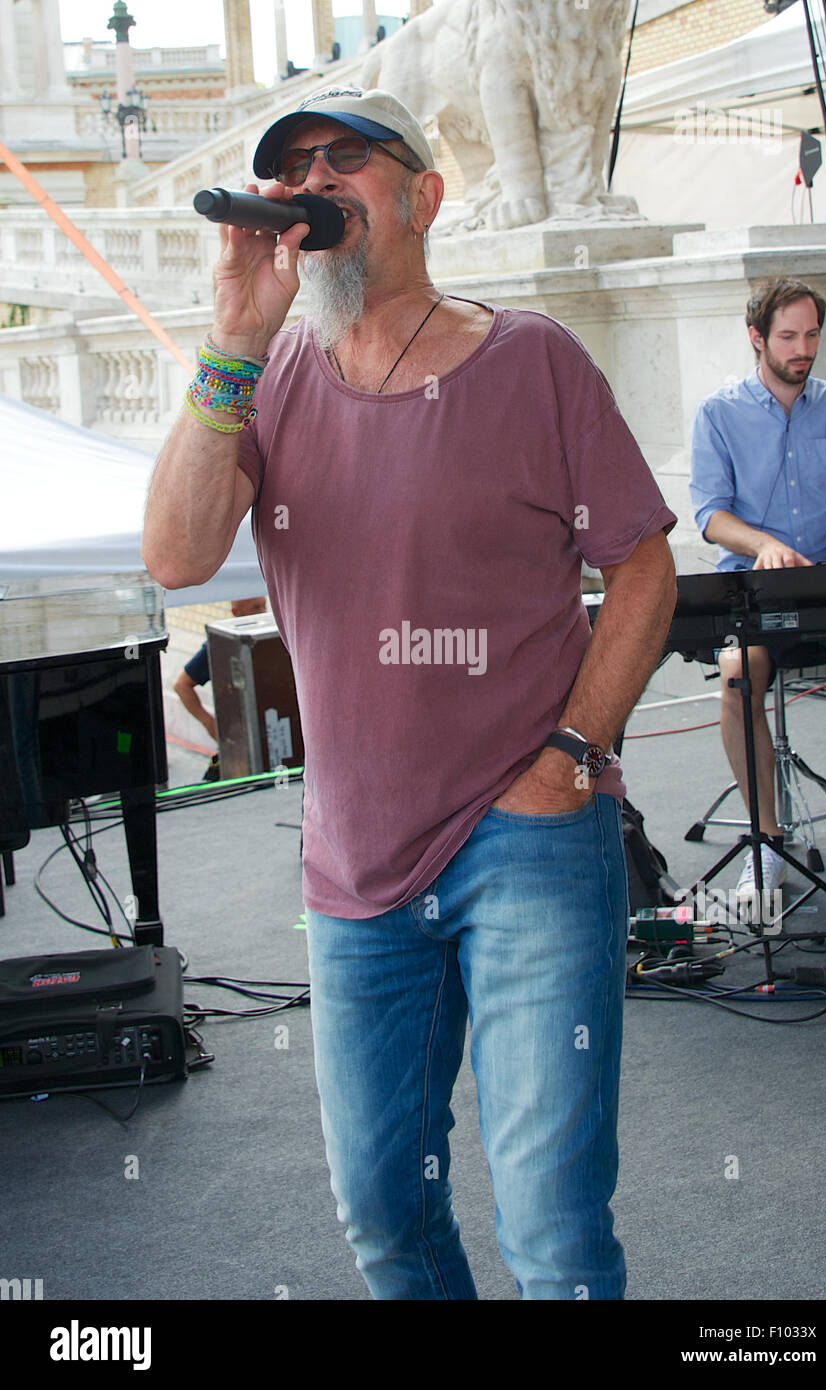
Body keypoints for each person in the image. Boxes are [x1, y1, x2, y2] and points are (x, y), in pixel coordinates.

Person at [142, 86, 678, 1300]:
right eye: (294, 169)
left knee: (550, 1228)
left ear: (423, 197)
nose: (315, 183)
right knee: (384, 1214)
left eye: (347, 160)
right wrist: (232, 333)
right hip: (354, 861)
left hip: (527, 834)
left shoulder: (531, 358)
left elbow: (641, 562)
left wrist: (574, 751)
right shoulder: (266, 375)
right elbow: (174, 555)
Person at [690, 277, 826, 901]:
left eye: (812, 335)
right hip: (753, 591)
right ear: (756, 338)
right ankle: (767, 845)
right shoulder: (718, 413)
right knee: (739, 676)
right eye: (788, 336)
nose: (803, 349)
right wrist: (763, 544)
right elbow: (709, 514)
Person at [173, 597, 267, 779]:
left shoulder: (271, 635)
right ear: (236, 613)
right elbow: (181, 686)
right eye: (256, 608)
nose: (263, 612)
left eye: (264, 605)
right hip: (238, 746)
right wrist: (210, 724)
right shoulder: (221, 645)